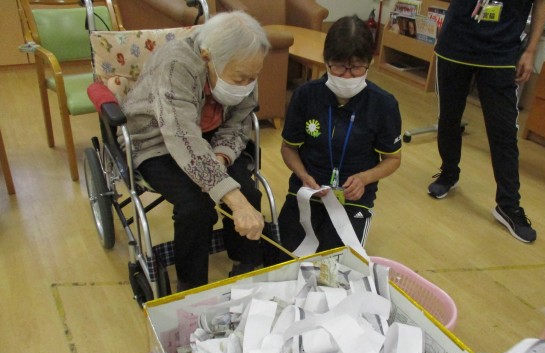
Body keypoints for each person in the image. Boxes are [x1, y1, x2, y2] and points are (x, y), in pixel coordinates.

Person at [119, 11, 270, 291]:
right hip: (157, 140)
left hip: (211, 136)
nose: (247, 85)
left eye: (253, 77)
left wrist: (222, 156)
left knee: (248, 192)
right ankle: (191, 285)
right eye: (239, 79)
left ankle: (247, 265)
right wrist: (235, 203)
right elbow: (181, 137)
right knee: (195, 207)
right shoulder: (175, 64)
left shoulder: (245, 64)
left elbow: (239, 121)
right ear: (207, 56)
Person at [428, 0, 545, 243]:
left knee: (503, 132)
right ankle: (449, 173)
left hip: (502, 49)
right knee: (449, 118)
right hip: (456, 41)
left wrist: (531, 50)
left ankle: (508, 204)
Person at [277, 15, 402, 257]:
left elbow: (393, 159)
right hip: (307, 191)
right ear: (326, 61)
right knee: (282, 258)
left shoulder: (384, 104)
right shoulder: (306, 95)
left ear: (370, 63)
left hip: (353, 198)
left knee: (335, 264)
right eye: (339, 66)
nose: (347, 76)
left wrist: (364, 178)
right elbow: (288, 148)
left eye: (356, 67)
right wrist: (303, 175)